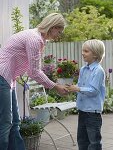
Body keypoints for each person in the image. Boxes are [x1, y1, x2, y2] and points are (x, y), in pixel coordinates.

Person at [0, 13, 68, 150]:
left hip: (8, 79)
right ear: (53, 27)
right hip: (2, 76)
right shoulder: (34, 39)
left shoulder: (38, 38)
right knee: (6, 123)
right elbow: (34, 72)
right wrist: (55, 86)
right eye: (59, 32)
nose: (58, 35)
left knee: (15, 123)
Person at [68, 39, 106, 150]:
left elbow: (93, 90)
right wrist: (71, 89)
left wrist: (78, 88)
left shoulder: (98, 71)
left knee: (94, 142)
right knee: (82, 140)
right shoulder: (83, 69)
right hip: (82, 110)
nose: (82, 53)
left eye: (86, 51)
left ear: (95, 54)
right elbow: (80, 87)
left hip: (93, 113)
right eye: (83, 50)